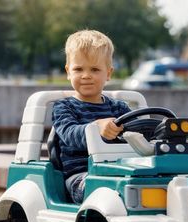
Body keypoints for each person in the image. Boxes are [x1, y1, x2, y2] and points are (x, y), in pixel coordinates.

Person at [52, 29, 131, 204]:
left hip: (118, 171)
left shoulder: (119, 108)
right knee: (101, 186)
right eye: (78, 69)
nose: (86, 75)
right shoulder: (64, 107)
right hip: (80, 177)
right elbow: (70, 134)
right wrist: (97, 128)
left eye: (95, 69)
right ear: (68, 71)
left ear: (108, 73)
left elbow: (137, 135)